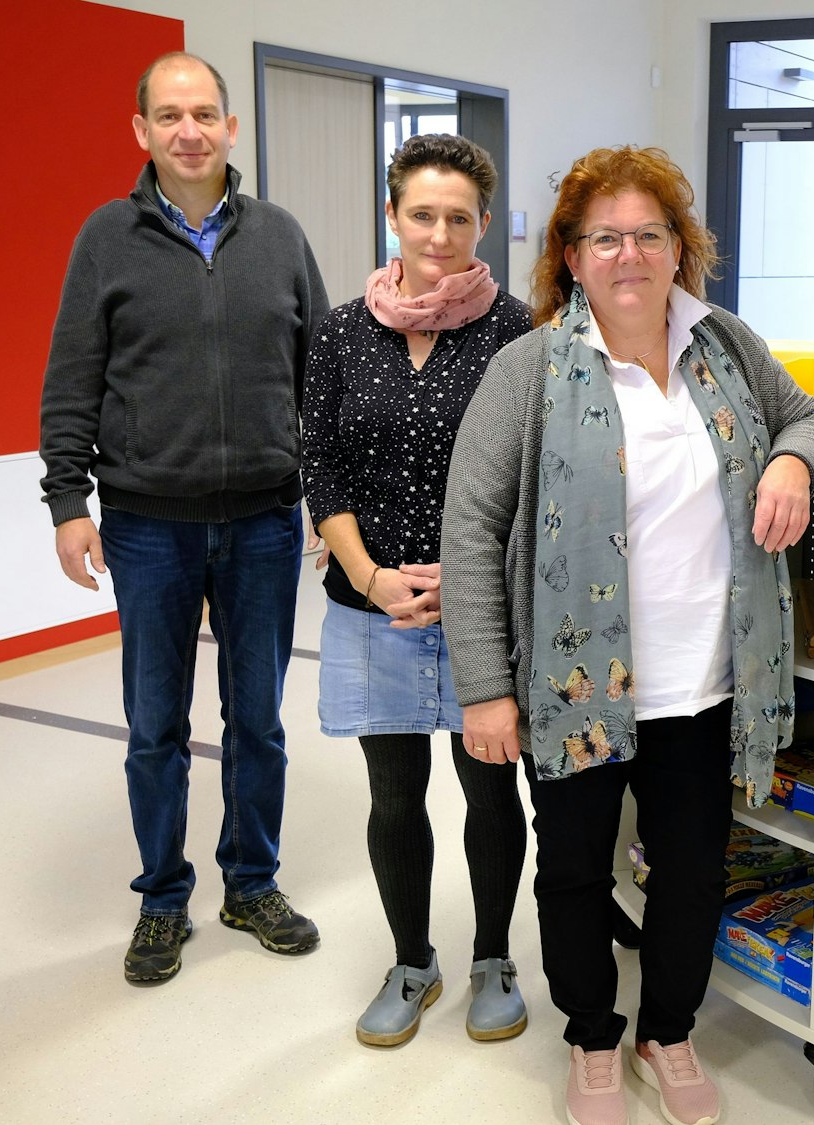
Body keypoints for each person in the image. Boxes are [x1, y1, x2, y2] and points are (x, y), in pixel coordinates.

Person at [440, 146, 814, 1125]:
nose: (629, 254)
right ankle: (589, 1036)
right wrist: (486, 689)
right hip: (577, 687)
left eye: (649, 234)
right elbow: (469, 529)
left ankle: (668, 1029)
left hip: (705, 685)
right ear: (571, 256)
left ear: (679, 248)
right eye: (604, 237)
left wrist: (791, 462)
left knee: (693, 870)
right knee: (572, 869)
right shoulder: (527, 368)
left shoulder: (723, 345)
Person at [39, 51, 329, 984]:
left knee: (259, 721)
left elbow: (318, 382)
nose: (189, 131)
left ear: (231, 127)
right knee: (154, 723)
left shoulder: (280, 236)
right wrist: (66, 501)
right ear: (142, 132)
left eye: (205, 113)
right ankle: (163, 897)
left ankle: (252, 883)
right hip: (146, 524)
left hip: (264, 522)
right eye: (169, 116)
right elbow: (72, 379)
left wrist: (329, 503)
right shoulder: (104, 240)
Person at [299, 134, 533, 1047]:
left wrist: (471, 576)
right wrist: (369, 575)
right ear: (392, 216)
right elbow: (321, 462)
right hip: (373, 608)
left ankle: (493, 958)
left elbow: (534, 472)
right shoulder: (340, 330)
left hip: (482, 612)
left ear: (483, 227)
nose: (441, 234)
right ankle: (411, 959)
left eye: (460, 218)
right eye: (423, 214)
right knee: (393, 794)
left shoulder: (517, 331)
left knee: (488, 792)